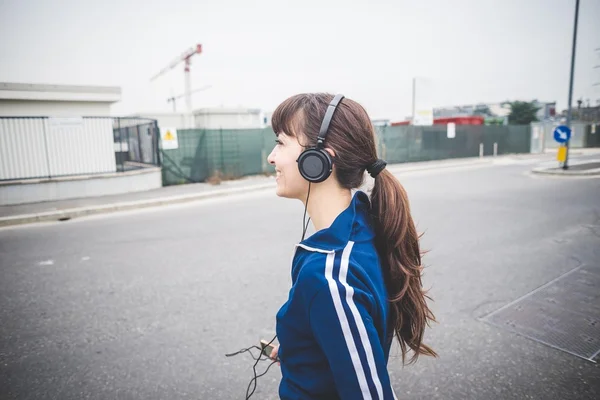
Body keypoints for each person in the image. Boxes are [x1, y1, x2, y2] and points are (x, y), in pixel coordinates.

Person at [266, 93, 437, 399]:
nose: (271, 157)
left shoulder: (330, 277)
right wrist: (300, 347)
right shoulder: (362, 224)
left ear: (318, 160)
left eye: (281, 143)